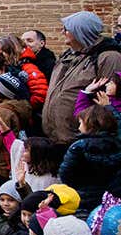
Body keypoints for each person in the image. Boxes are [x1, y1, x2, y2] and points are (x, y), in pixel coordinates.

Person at [44, 11, 121, 144]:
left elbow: (109, 100)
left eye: (66, 29)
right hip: (56, 137)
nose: (62, 33)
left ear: (80, 31)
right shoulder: (69, 56)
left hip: (82, 138)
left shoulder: (108, 57)